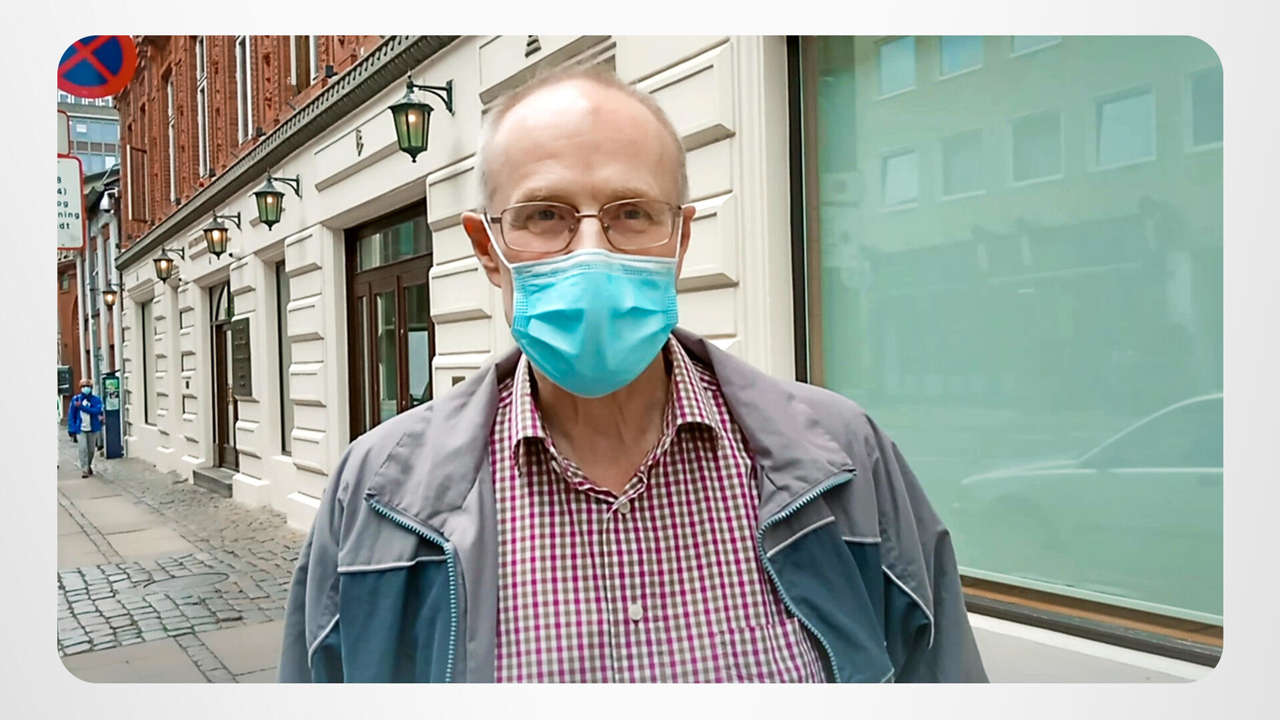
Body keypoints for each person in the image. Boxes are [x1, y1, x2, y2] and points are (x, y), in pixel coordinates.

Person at [280, 65, 986, 683]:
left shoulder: (844, 459)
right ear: (488, 249)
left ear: (681, 238)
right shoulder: (374, 498)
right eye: (545, 214)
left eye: (632, 213)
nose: (591, 250)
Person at [67, 377, 104, 479]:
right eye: (83, 386)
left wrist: (82, 407)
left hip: (93, 428)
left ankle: (89, 465)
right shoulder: (76, 399)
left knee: (91, 450)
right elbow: (71, 415)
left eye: (87, 386)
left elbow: (96, 411)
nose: (85, 388)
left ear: (91, 388)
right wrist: (71, 429)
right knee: (83, 449)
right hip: (81, 429)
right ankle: (84, 469)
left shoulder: (96, 400)